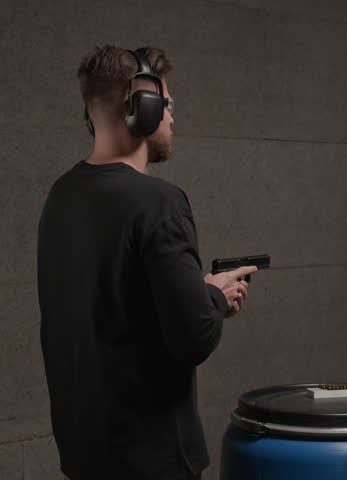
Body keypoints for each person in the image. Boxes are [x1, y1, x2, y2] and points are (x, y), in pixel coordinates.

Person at [37, 45, 256, 480]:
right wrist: (213, 296)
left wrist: (202, 292)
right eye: (168, 104)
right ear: (143, 108)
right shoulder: (159, 204)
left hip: (85, 456)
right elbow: (193, 338)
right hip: (150, 462)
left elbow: (115, 310)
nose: (173, 117)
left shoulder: (60, 196)